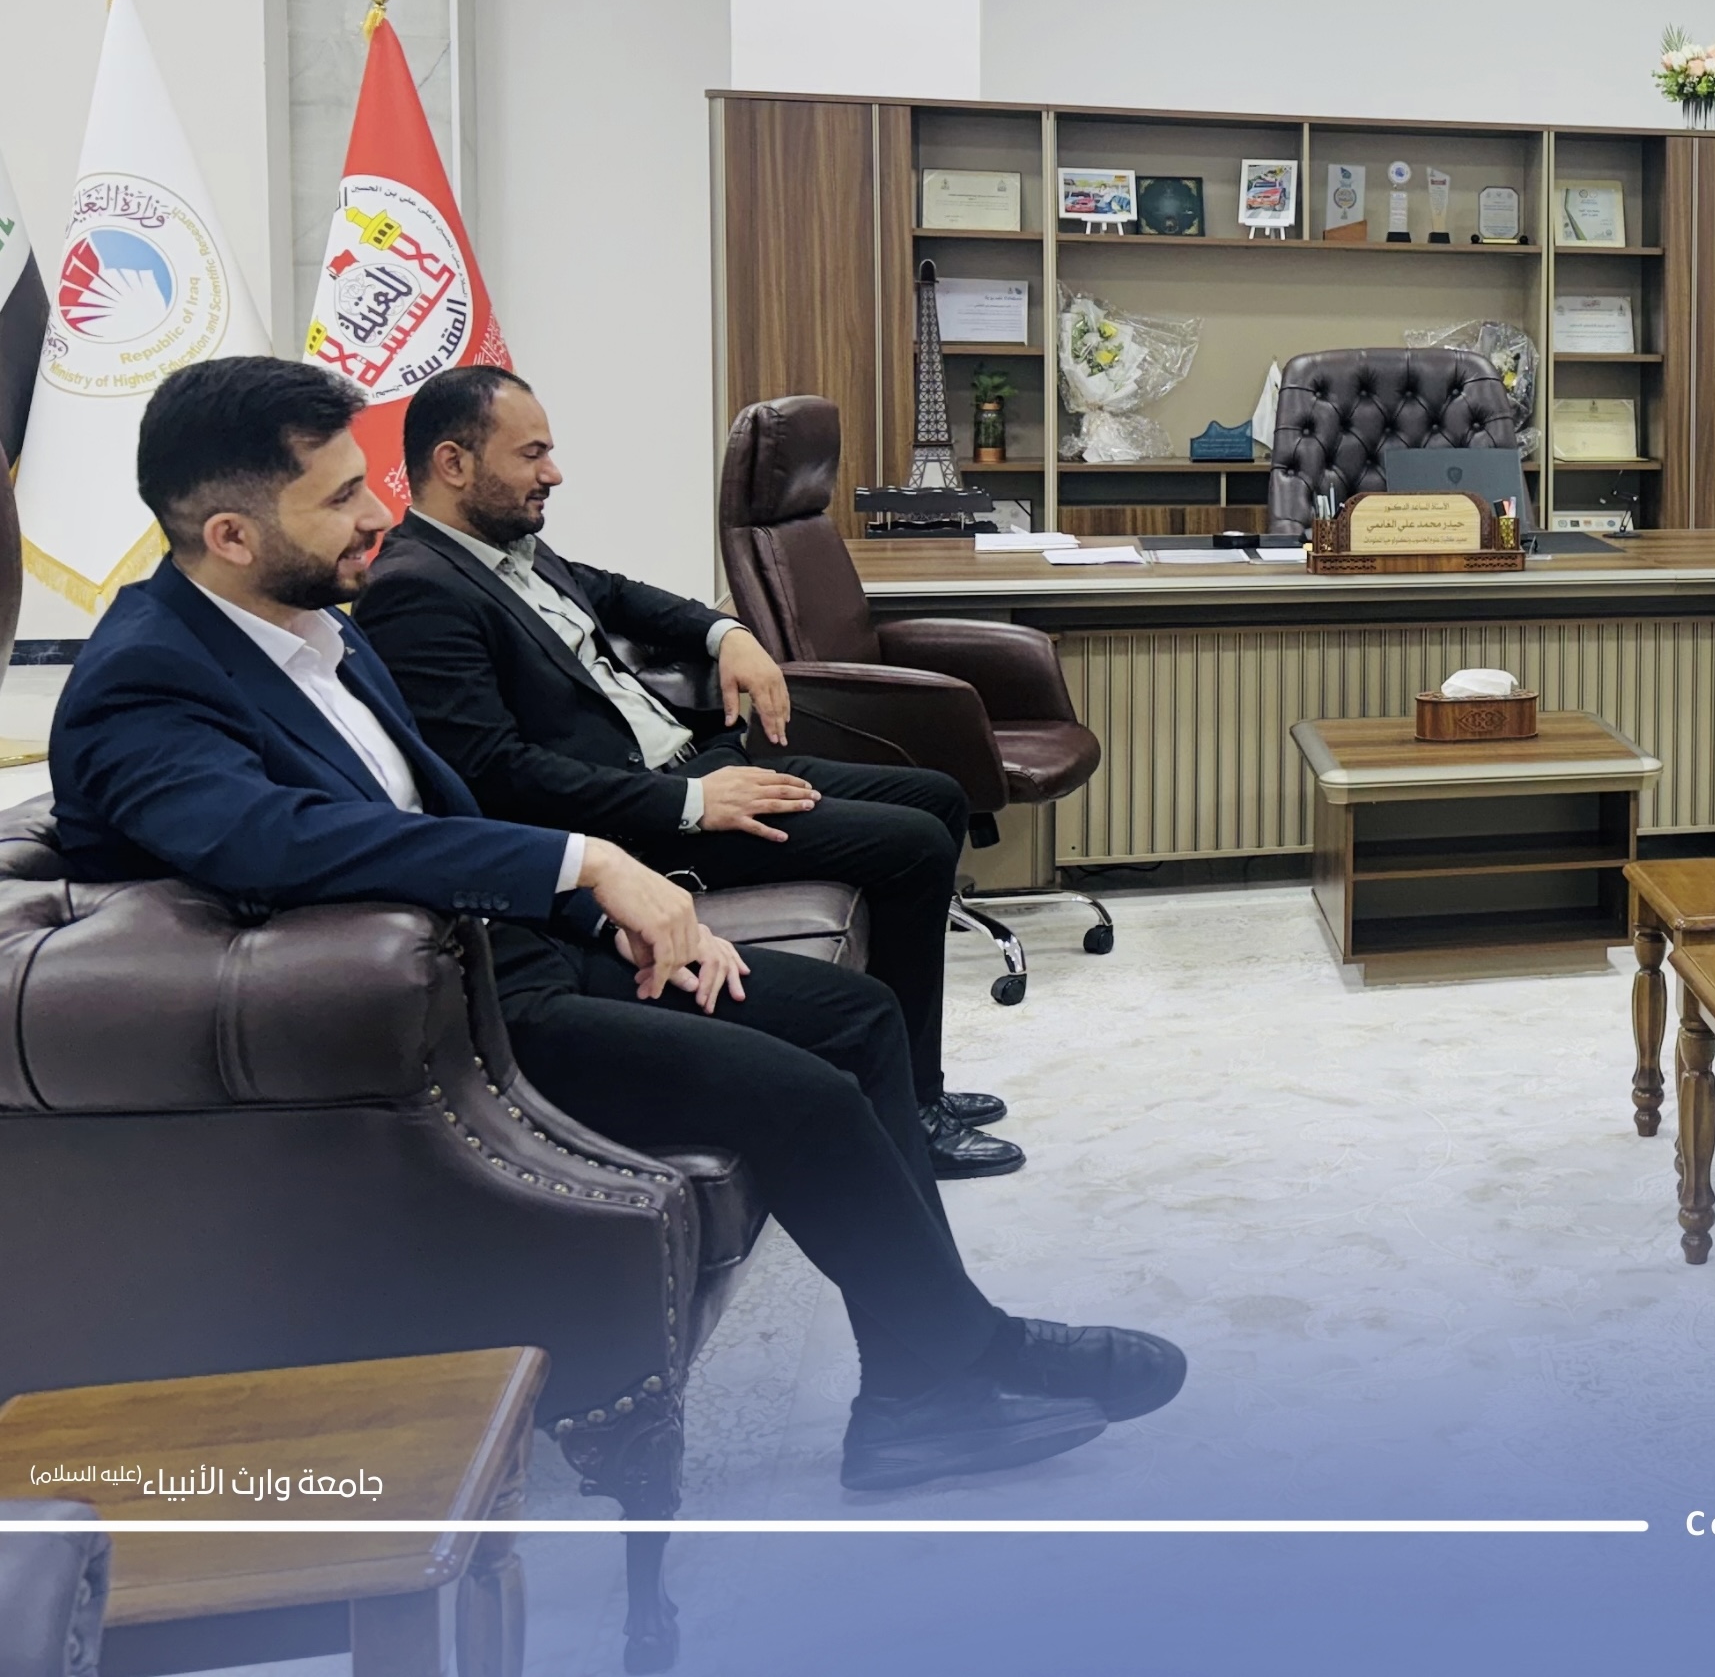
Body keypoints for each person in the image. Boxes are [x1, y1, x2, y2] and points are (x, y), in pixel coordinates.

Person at [47, 357, 1181, 1491]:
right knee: (806, 1093)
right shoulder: (145, 682)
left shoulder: (306, 626)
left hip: (506, 949)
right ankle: (964, 1359)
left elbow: (434, 805)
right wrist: (584, 861)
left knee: (855, 1019)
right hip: (425, 1020)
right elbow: (279, 839)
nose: (376, 518)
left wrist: (596, 906)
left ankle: (917, 1386)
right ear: (232, 534)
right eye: (341, 497)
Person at [352, 363, 1019, 1179]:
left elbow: (620, 595)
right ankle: (913, 1110)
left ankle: (913, 1081)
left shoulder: (509, 549)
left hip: (694, 766)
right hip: (643, 825)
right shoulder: (416, 591)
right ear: (454, 464)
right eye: (532, 454)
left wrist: (725, 634)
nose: (553, 474)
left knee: (936, 798)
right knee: (911, 845)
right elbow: (494, 773)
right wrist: (689, 802)